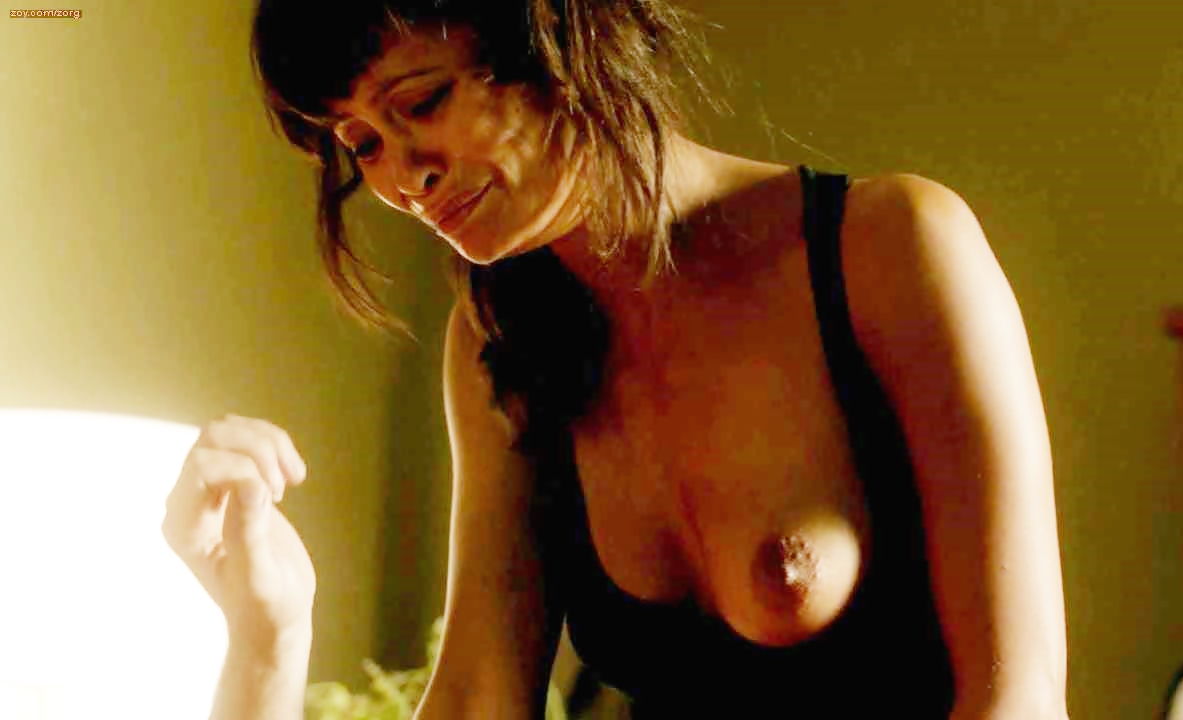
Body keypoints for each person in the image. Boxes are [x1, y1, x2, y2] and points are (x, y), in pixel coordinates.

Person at [161, 0, 1070, 718]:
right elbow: (480, 698)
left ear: (552, 36)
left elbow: (1018, 700)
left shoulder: (887, 246)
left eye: (423, 103)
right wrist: (271, 637)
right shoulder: (497, 338)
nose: (405, 176)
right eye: (362, 144)